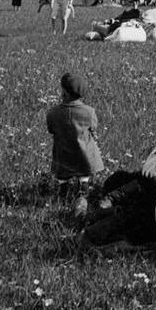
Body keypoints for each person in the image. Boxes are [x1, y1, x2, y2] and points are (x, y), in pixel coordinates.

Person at [47, 73, 104, 215]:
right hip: (84, 155)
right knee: (84, 172)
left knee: (62, 175)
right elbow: (93, 128)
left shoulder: (53, 112)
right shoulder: (89, 112)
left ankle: (63, 192)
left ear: (64, 92)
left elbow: (51, 129)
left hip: (62, 154)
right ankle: (83, 190)